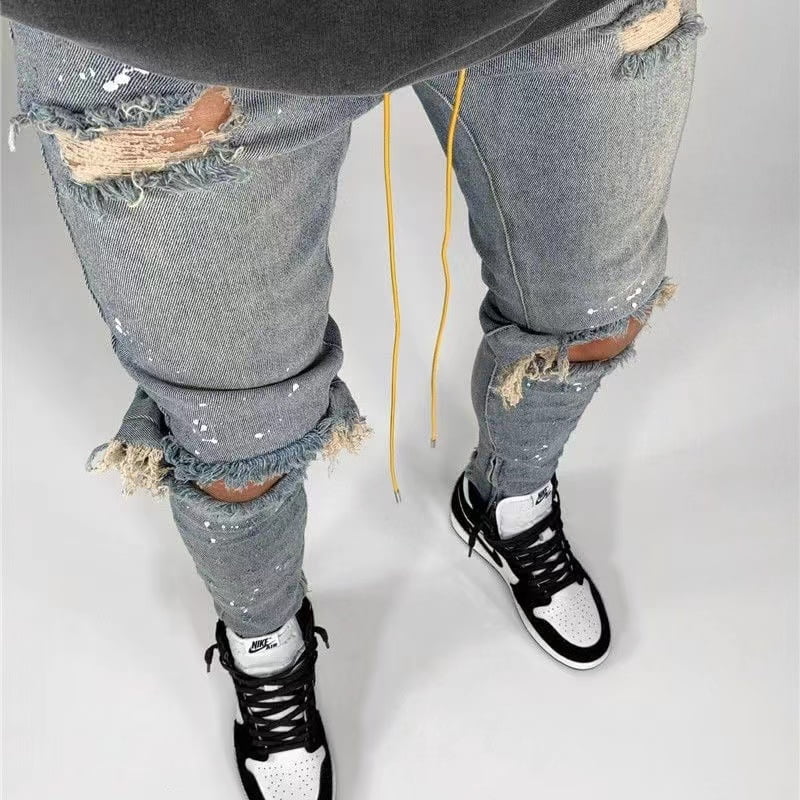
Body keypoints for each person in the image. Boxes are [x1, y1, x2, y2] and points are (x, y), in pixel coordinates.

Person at [4, 0, 703, 797]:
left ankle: (507, 497)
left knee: (596, 307)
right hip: (178, 33)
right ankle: (265, 641)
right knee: (236, 435)